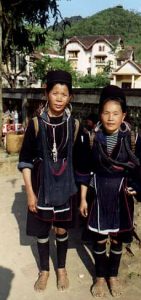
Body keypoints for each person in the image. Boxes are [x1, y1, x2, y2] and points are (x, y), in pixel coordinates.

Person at [75, 85, 141, 298]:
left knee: (118, 239)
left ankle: (113, 276)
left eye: (116, 113)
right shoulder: (90, 138)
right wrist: (82, 199)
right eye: (106, 112)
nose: (111, 118)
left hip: (121, 194)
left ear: (124, 115)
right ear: (100, 114)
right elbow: (82, 170)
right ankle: (100, 277)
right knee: (100, 239)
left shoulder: (133, 139)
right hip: (98, 193)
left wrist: (136, 187)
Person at [18, 70, 79, 292]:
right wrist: (30, 193)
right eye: (55, 92)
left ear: (70, 97)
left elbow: (81, 164)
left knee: (62, 230)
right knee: (43, 231)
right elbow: (25, 161)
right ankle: (44, 270)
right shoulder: (35, 124)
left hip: (65, 186)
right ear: (47, 93)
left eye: (65, 93)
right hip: (41, 186)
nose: (60, 98)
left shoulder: (74, 125)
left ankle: (61, 268)